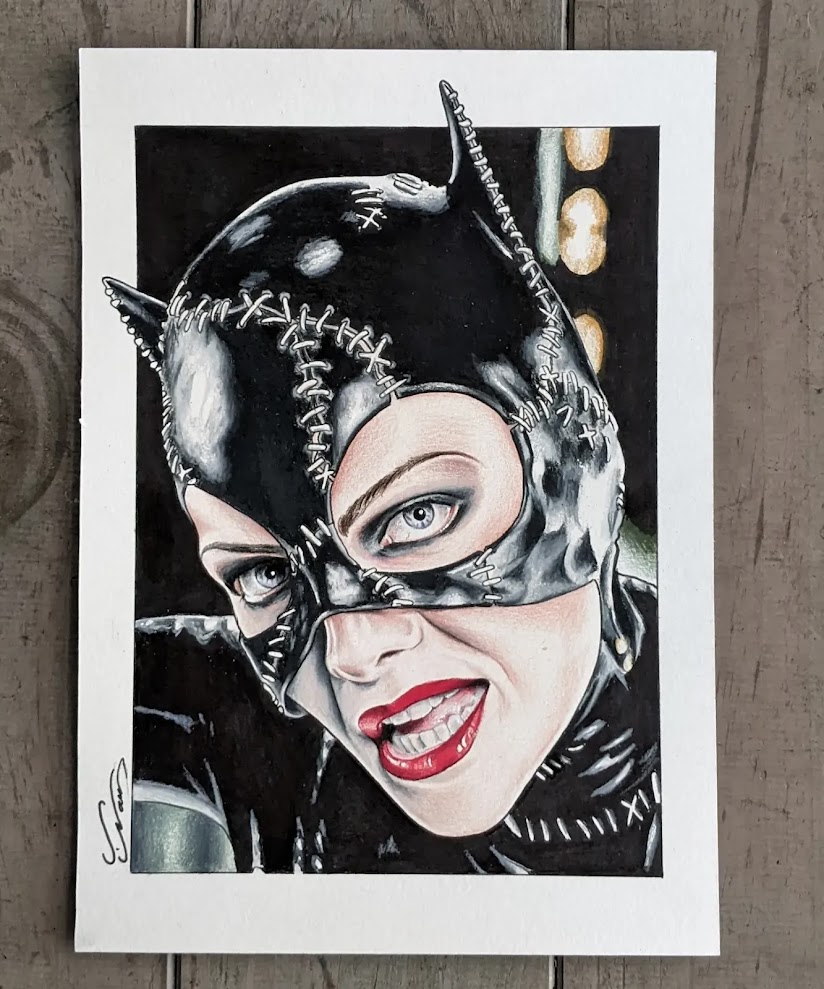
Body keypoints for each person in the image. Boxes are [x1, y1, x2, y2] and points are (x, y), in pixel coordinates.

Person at [107, 81, 661, 876]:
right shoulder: (234, 718)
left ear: (577, 465)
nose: (352, 651)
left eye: (419, 513)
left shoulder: (737, 707)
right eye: (264, 572)